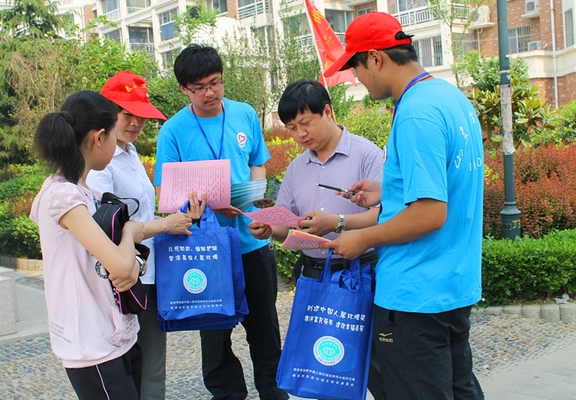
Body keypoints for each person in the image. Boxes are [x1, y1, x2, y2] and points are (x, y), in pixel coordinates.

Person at [322, 11, 485, 400]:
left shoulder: (415, 113)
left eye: (356, 67)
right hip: (452, 284)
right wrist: (388, 191)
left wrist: (362, 238)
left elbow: (430, 213)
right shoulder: (450, 97)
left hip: (415, 294)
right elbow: (449, 182)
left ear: (376, 58)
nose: (356, 78)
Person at [154, 44, 290, 400]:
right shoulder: (173, 131)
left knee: (265, 328)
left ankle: (273, 392)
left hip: (251, 242)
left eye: (215, 83)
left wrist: (256, 198)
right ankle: (228, 395)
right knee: (214, 333)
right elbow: (166, 193)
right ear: (183, 89)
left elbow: (258, 163)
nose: (209, 93)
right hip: (206, 249)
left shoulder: (244, 114)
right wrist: (206, 207)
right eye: (199, 87)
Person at [87, 70, 204, 400]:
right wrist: (165, 225)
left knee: (152, 364)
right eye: (128, 114)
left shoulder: (130, 152)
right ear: (106, 113)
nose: (136, 123)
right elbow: (103, 226)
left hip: (148, 273)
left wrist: (178, 219)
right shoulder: (100, 163)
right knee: (123, 364)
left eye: (142, 116)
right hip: (118, 276)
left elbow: (141, 217)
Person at [30, 90, 146, 399]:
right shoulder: (62, 196)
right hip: (92, 344)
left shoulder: (83, 192)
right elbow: (120, 265)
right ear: (98, 137)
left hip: (113, 333)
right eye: (114, 136)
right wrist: (129, 232)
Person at [248, 79, 383, 280]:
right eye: (292, 128)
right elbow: (285, 225)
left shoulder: (367, 155)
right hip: (312, 274)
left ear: (327, 112)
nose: (301, 134)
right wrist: (268, 229)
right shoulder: (296, 167)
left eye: (306, 123)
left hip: (360, 271)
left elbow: (386, 213)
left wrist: (336, 222)